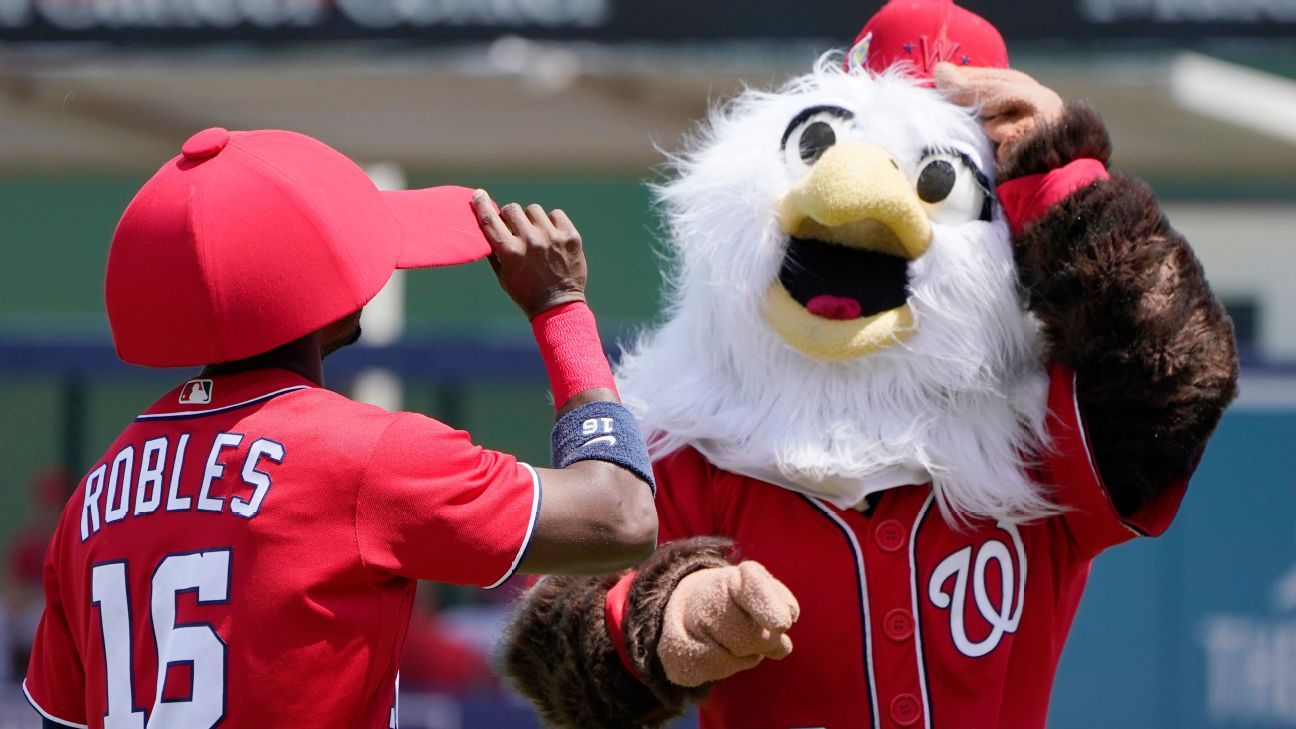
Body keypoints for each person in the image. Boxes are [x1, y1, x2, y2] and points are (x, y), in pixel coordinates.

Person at [23, 127, 658, 729]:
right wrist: (560, 308)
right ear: (315, 293)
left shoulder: (93, 499)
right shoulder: (364, 456)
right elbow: (621, 515)